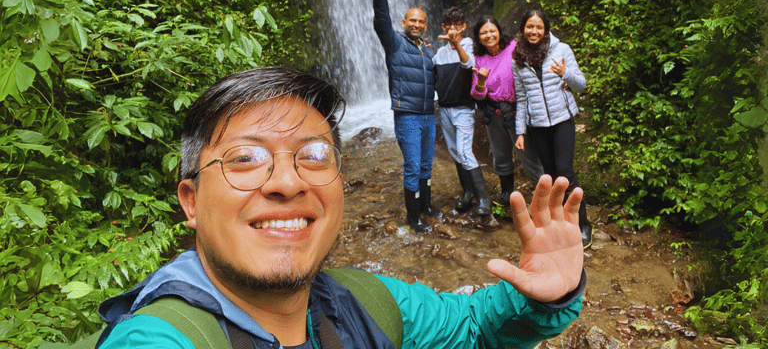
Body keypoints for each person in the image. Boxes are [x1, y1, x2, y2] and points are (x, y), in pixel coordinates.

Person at [94, 66, 586, 348]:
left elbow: (475, 326)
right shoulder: (164, 338)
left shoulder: (365, 302)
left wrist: (543, 295)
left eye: (313, 155)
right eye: (246, 158)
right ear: (192, 201)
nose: (287, 181)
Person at [365, 0, 437, 233]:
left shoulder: (426, 52)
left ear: (425, 25)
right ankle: (414, 217)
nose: (417, 25)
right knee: (413, 166)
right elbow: (381, 20)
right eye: (412, 21)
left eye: (421, 21)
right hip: (407, 114)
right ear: (404, 23)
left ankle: (427, 206)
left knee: (427, 164)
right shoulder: (395, 43)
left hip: (429, 114)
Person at [512, 10, 592, 249]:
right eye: (529, 26)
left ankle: (584, 224)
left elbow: (581, 84)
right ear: (523, 28)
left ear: (545, 29)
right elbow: (522, 97)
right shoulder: (518, 56)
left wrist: (564, 73)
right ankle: (560, 223)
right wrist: (520, 132)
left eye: (538, 27)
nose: (533, 31)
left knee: (565, 172)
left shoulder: (562, 49)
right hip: (537, 124)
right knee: (549, 175)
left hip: (561, 120)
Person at [470, 15, 545, 208]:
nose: (489, 35)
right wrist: (480, 81)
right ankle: (506, 195)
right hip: (493, 111)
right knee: (500, 155)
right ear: (478, 37)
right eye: (483, 33)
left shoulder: (514, 48)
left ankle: (544, 199)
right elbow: (477, 95)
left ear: (499, 31)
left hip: (517, 110)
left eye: (492, 30)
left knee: (528, 156)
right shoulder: (479, 58)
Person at [432, 6, 492, 216]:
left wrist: (456, 43)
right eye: (448, 25)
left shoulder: (469, 46)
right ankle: (468, 193)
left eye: (457, 25)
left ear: (464, 26)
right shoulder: (439, 53)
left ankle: (484, 200)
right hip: (445, 109)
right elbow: (431, 77)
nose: (452, 29)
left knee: (465, 152)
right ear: (443, 27)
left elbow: (468, 64)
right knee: (456, 152)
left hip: (464, 109)